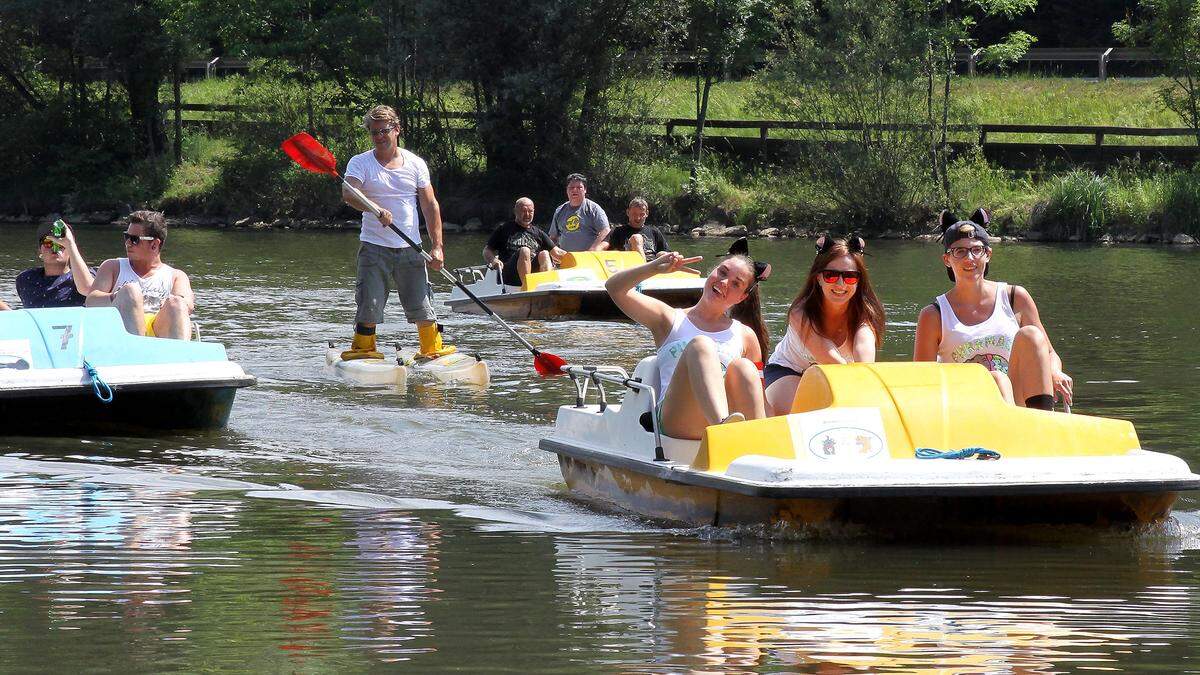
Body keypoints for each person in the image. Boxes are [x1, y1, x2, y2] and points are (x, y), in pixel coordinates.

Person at [605, 239, 772, 441]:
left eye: (736, 284)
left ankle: (761, 445)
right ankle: (722, 429)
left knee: (745, 367)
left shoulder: (746, 335)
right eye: (722, 272)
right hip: (676, 420)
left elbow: (759, 398)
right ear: (711, 273)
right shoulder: (669, 319)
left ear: (742, 298)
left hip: (731, 416)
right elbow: (614, 288)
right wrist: (654, 268)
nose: (724, 282)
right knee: (701, 345)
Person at [913, 209, 1073, 410]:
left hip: (1017, 400)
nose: (969, 258)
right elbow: (921, 381)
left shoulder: (1016, 297)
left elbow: (1050, 354)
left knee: (1031, 335)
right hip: (965, 409)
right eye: (959, 251)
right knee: (997, 379)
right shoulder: (933, 314)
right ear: (947, 259)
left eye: (976, 250)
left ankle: (1042, 421)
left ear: (988, 254)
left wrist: (1055, 372)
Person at [340, 104, 455, 361]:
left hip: (411, 248)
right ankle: (364, 349)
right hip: (373, 246)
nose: (379, 137)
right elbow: (349, 193)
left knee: (422, 305)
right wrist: (374, 208)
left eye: (384, 131)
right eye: (374, 132)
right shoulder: (360, 163)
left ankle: (430, 349)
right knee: (369, 304)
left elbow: (429, 204)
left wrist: (437, 247)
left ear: (397, 130)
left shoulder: (415, 163)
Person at [764, 235, 886, 416]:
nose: (840, 283)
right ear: (818, 278)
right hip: (790, 371)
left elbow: (865, 367)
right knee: (800, 416)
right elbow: (830, 358)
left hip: (835, 378)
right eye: (831, 275)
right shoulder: (800, 313)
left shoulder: (865, 316)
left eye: (850, 277)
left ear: (859, 281)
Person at [86, 210, 195, 340]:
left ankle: (180, 356)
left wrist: (172, 301)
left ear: (154, 244)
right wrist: (118, 296)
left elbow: (187, 305)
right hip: (120, 333)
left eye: (134, 240)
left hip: (159, 329)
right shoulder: (112, 267)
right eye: (127, 237)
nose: (128, 243)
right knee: (130, 291)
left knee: (177, 302)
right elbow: (91, 301)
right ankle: (136, 350)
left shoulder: (176, 276)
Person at [484, 197, 565, 287]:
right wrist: (493, 260)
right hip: (510, 275)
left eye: (530, 211)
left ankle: (546, 286)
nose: (527, 215)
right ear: (515, 211)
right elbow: (487, 250)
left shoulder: (538, 233)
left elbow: (558, 252)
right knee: (525, 251)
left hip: (532, 272)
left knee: (545, 254)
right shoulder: (504, 229)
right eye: (523, 211)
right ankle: (527, 286)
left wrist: (579, 259)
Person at [15, 221, 95, 308]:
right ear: (40, 251)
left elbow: (89, 289)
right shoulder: (26, 279)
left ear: (72, 250)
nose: (55, 248)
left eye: (61, 243)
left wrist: (70, 244)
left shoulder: (86, 276)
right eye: (48, 242)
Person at [548, 173, 611, 252]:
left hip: (587, 258)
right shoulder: (559, 210)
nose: (574, 190)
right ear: (567, 190)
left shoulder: (593, 209)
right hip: (565, 258)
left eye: (579, 187)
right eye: (571, 187)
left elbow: (605, 231)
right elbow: (553, 237)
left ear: (585, 190)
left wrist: (593, 249)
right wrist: (553, 252)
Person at [605, 197, 671, 260]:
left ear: (647, 213)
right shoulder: (618, 231)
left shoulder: (654, 231)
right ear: (628, 212)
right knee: (636, 238)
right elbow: (604, 248)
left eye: (641, 214)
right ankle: (644, 267)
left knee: (664, 254)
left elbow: (666, 251)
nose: (638, 218)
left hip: (654, 264)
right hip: (633, 265)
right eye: (634, 214)